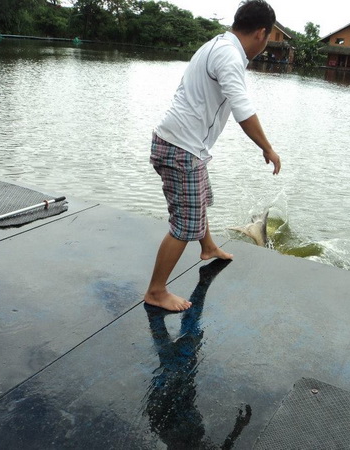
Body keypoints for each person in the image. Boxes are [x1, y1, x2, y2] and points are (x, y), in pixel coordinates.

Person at [144, 0, 281, 312]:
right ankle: (156, 290)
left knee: (200, 198)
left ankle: (208, 247)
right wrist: (268, 148)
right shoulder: (230, 56)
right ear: (261, 33)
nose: (266, 43)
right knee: (184, 223)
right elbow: (242, 110)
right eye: (269, 37)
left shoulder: (218, 44)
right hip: (181, 148)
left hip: (183, 145)